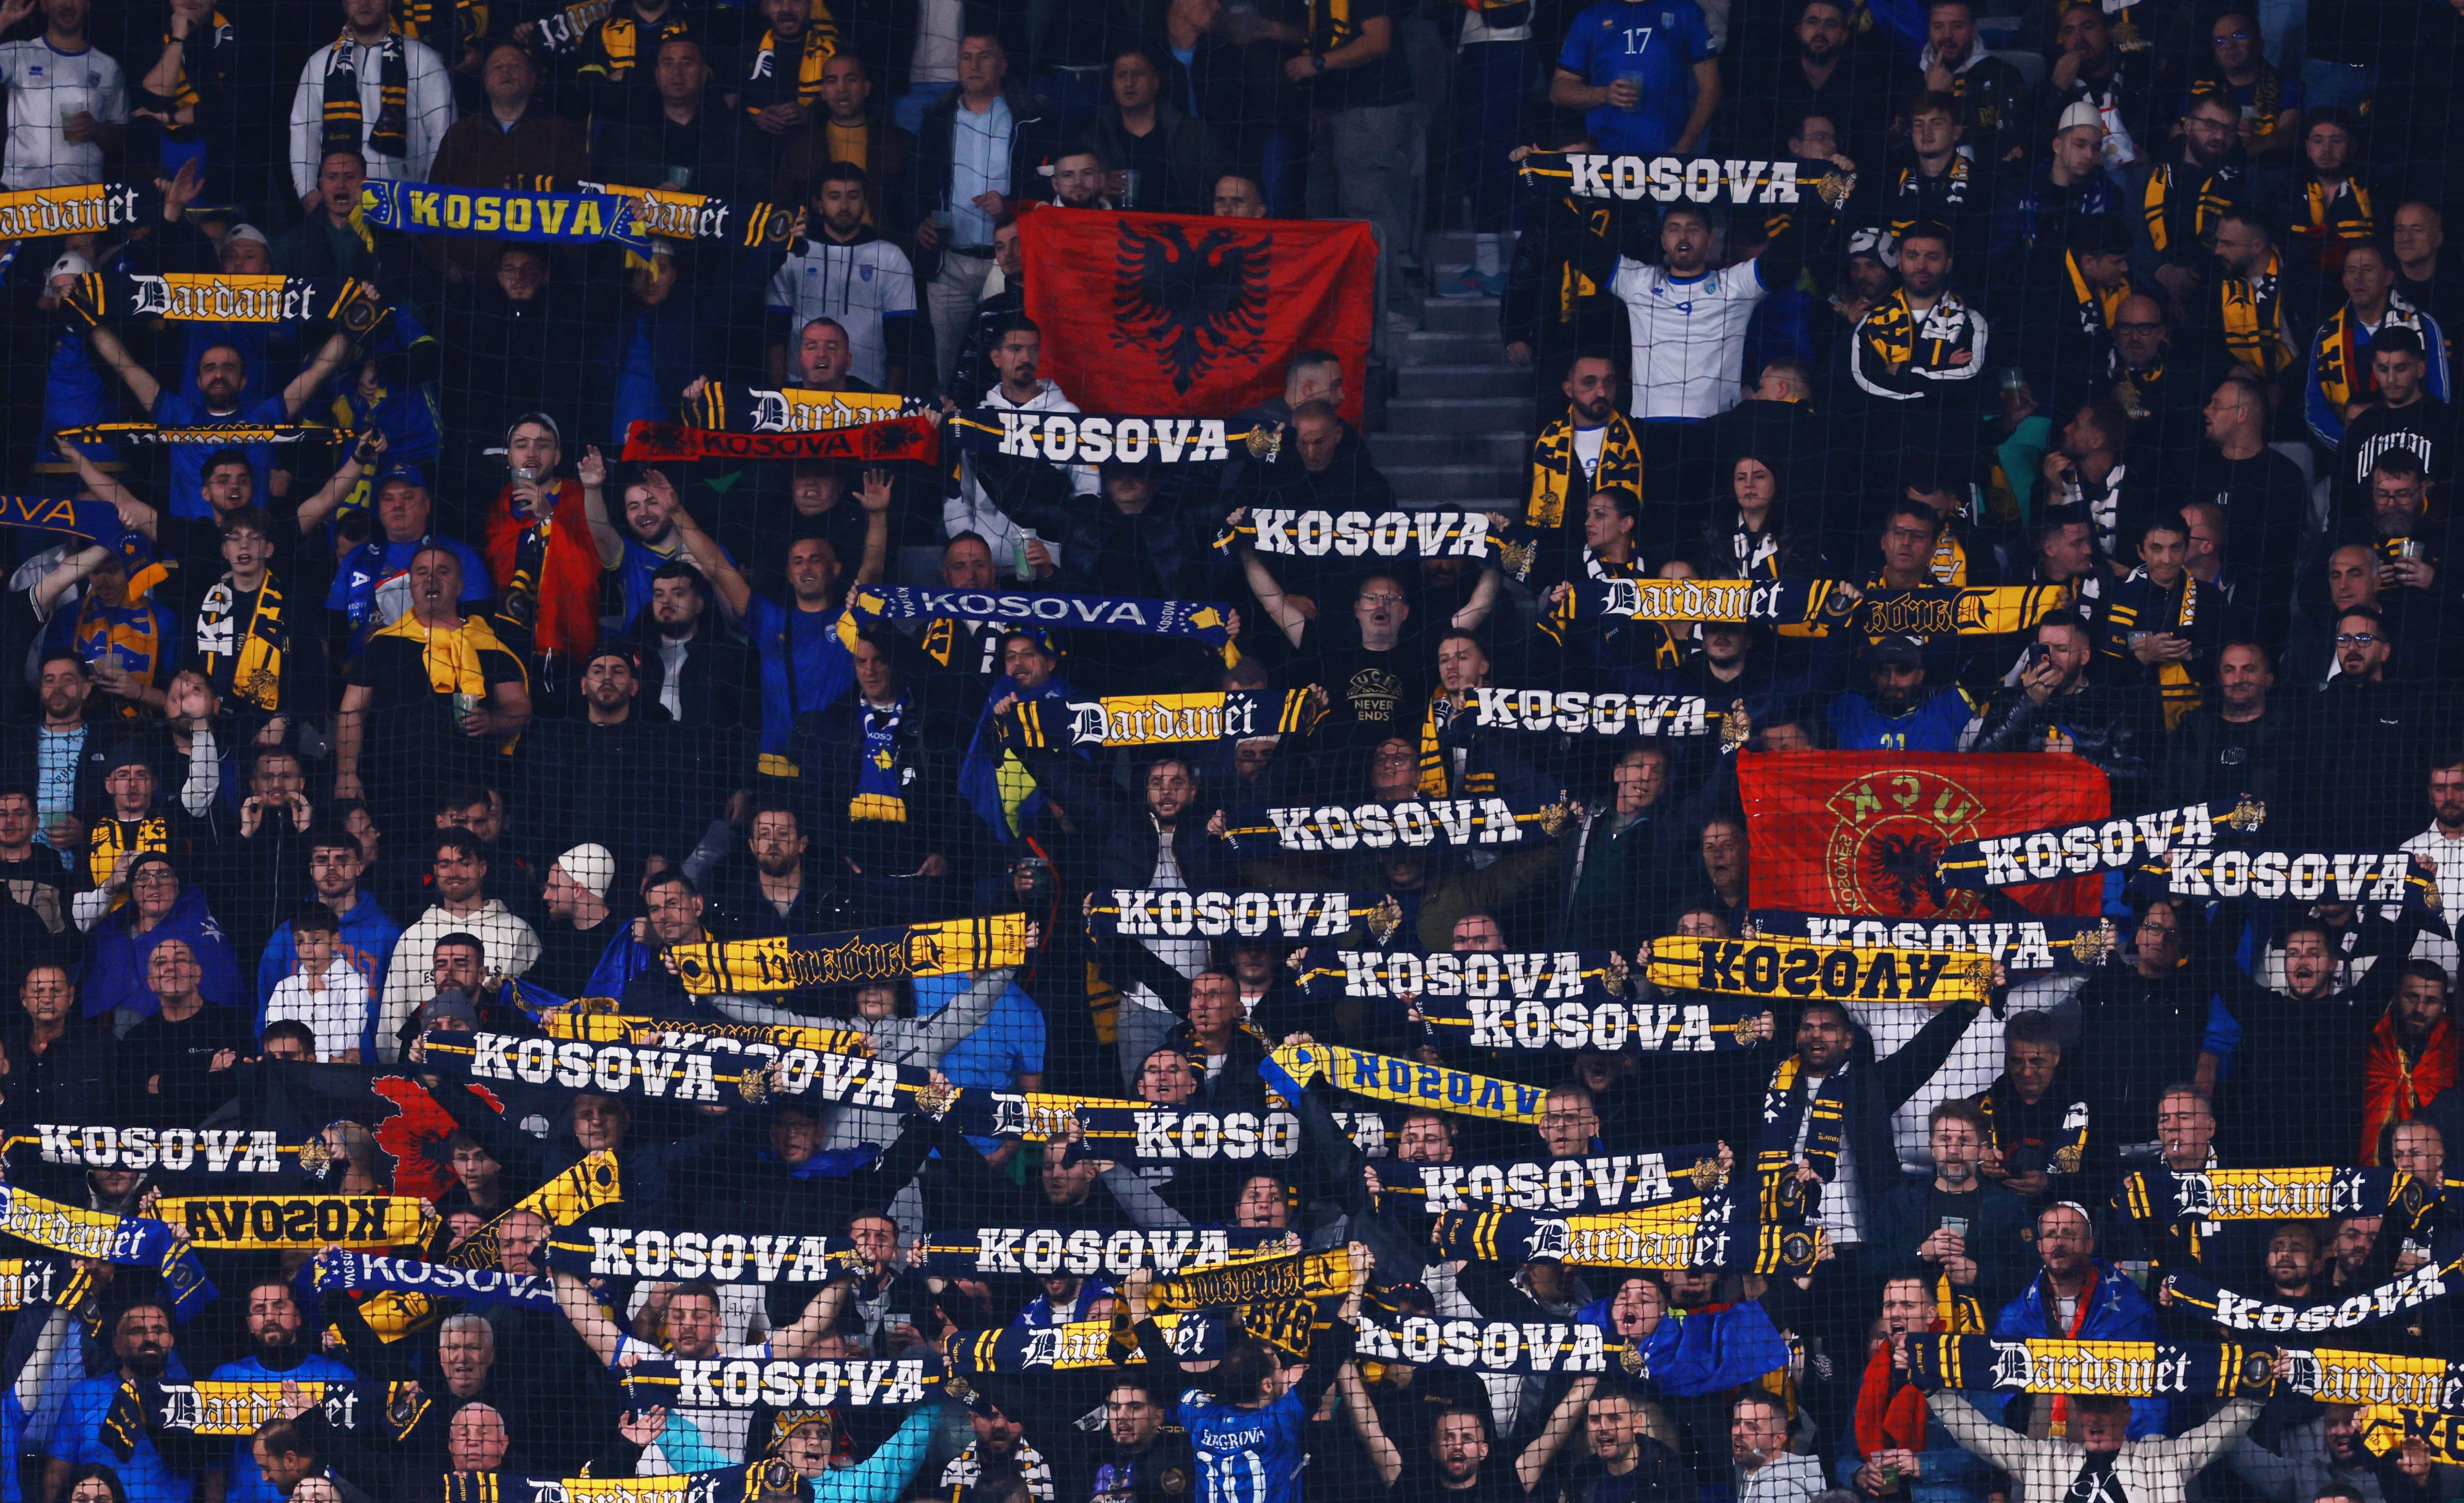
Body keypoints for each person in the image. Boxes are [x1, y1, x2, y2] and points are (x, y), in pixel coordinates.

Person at [764, 164, 925, 395]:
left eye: (853, 196)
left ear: (865, 202)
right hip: (799, 386)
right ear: (818, 203)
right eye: (834, 197)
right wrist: (778, 393)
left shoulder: (891, 257)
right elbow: (776, 329)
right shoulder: (792, 254)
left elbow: (901, 337)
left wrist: (891, 402)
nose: (844, 206)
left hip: (869, 389)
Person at [286, 0, 454, 200]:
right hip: (338, 202)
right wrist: (307, 191)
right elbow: (304, 130)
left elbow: (443, 132)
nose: (364, 3)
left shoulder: (422, 59)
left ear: (390, 3)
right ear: (344, 4)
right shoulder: (320, 63)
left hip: (405, 202)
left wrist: (429, 194)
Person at [0, 0, 126, 191]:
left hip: (83, 198)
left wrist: (97, 130)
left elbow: (122, 136)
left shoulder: (108, 67)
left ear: (88, 4)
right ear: (43, 5)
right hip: (20, 194)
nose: (67, 4)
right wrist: (3, 20)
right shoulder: (19, 54)